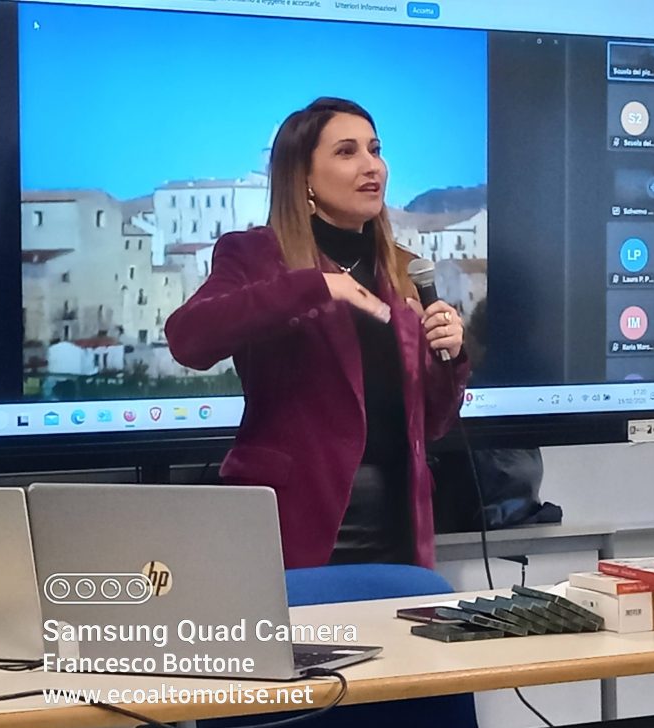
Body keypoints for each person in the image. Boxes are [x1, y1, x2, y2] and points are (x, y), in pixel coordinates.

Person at [166, 97, 469, 569]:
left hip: (398, 528)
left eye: (375, 149)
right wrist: (315, 286)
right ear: (302, 177)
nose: (372, 166)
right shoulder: (254, 255)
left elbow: (433, 424)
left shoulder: (402, 269)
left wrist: (450, 356)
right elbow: (189, 338)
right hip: (293, 521)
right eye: (347, 152)